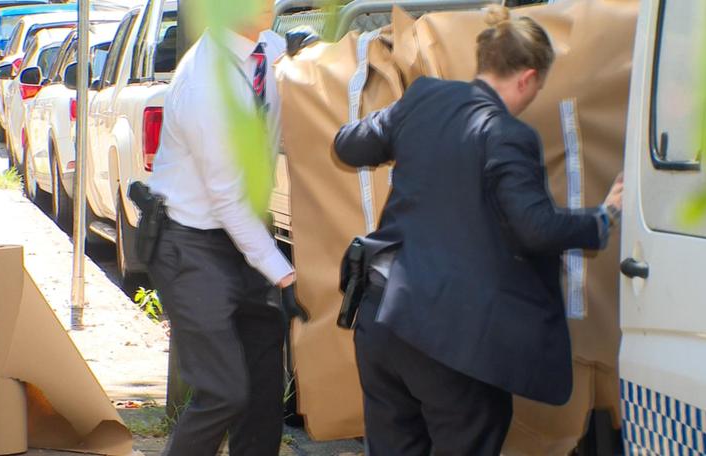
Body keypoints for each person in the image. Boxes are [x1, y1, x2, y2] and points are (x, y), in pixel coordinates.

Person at [333, 5, 623, 455]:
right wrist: (601, 218)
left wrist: (406, 136)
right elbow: (535, 228)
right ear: (527, 77)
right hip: (453, 342)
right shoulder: (506, 133)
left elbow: (347, 145)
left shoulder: (422, 98)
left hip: (382, 321)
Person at [146, 4, 302, 456]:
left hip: (244, 235)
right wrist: (283, 273)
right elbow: (227, 200)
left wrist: (300, 51)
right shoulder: (205, 85)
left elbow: (279, 52)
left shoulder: (261, 49)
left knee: (263, 389)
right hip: (192, 244)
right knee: (224, 392)